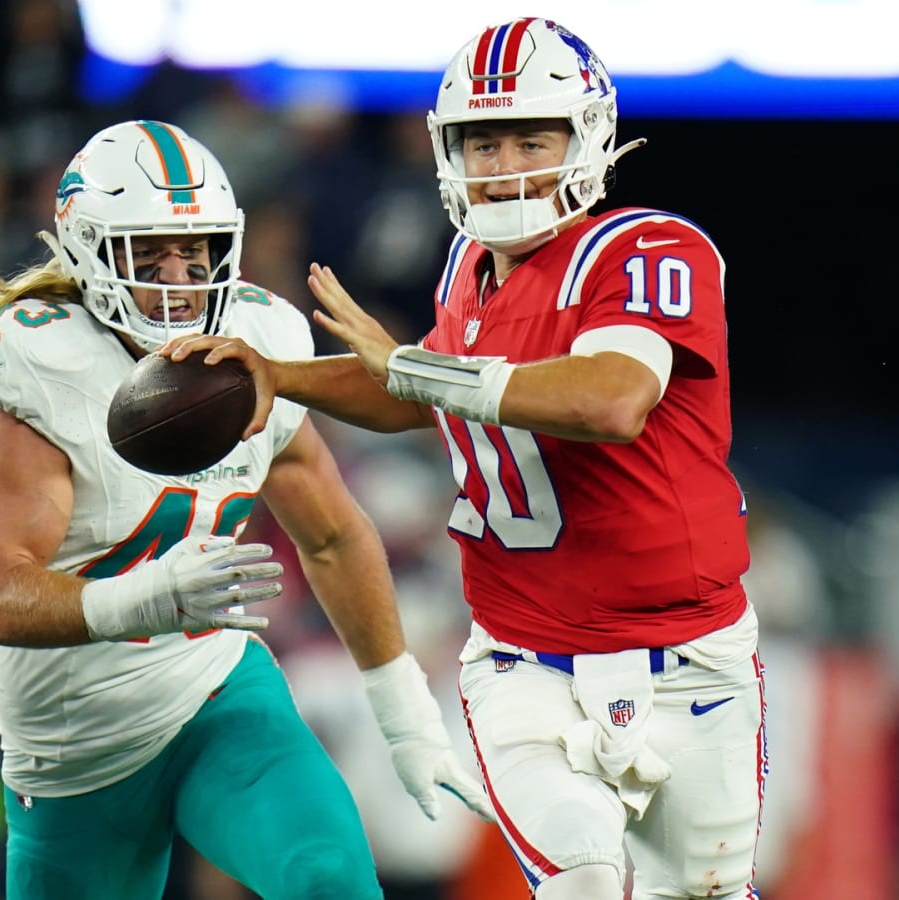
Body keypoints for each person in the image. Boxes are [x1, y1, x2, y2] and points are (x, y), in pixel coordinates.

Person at [165, 18, 766, 900]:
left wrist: (412, 363)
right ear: (448, 150)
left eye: (533, 137)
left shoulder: (645, 248)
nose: (506, 163)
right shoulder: (467, 267)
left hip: (693, 656)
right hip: (526, 663)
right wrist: (281, 378)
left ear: (588, 139)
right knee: (585, 887)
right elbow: (424, 394)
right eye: (483, 142)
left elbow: (610, 400)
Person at [0, 119, 491, 900]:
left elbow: (334, 533)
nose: (179, 278)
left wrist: (401, 704)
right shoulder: (40, 359)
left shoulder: (253, 338)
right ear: (88, 251)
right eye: (151, 255)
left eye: (195, 251)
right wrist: (150, 597)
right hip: (73, 745)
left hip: (214, 688)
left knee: (328, 878)